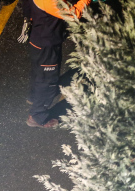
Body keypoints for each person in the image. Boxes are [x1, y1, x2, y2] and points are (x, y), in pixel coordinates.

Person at [26, 0, 90, 128]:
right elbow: (73, 14)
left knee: (40, 75)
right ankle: (37, 116)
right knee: (48, 81)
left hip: (40, 38)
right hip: (47, 44)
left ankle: (34, 97)